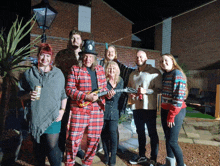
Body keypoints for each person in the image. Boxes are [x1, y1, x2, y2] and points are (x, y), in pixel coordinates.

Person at [18, 43, 67, 166]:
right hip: (36, 117)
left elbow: (63, 94)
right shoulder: (29, 74)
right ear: (38, 56)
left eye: (48, 55)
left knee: (51, 146)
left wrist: (62, 110)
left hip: (54, 116)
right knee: (38, 148)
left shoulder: (58, 74)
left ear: (51, 57)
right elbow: (19, 94)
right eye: (42, 55)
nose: (45, 58)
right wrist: (28, 95)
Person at [65, 39, 109, 166]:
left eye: (90, 56)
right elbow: (69, 89)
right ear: (81, 57)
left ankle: (87, 162)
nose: (87, 59)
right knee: (73, 139)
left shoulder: (100, 69)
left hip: (97, 110)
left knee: (94, 139)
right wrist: (85, 97)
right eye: (85, 56)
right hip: (79, 109)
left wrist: (108, 93)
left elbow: (104, 88)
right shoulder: (75, 69)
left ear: (94, 58)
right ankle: (70, 162)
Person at [127, 50, 162, 166]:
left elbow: (159, 90)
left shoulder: (154, 72)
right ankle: (142, 155)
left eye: (141, 57)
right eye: (137, 57)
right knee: (140, 132)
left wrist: (146, 91)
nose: (139, 59)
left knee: (152, 133)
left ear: (146, 58)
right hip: (137, 107)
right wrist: (131, 93)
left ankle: (153, 158)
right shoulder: (133, 74)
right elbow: (129, 88)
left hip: (149, 108)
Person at [55, 29, 85, 159]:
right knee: (63, 122)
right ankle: (61, 149)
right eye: (72, 38)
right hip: (65, 94)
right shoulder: (61, 54)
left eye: (77, 38)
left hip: (81, 96)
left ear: (81, 41)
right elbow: (55, 72)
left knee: (78, 124)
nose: (75, 40)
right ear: (69, 40)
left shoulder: (85, 56)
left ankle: (76, 148)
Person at [99, 45, 134, 153]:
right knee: (102, 127)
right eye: (108, 51)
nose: (110, 53)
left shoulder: (119, 66)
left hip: (116, 100)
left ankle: (115, 147)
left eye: (112, 51)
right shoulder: (100, 64)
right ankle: (102, 146)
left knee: (113, 128)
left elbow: (129, 71)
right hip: (102, 100)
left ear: (115, 54)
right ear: (105, 53)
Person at [160, 54, 188, 166]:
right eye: (161, 61)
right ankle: (169, 163)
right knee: (167, 138)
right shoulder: (165, 75)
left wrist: (171, 115)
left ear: (172, 61)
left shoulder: (177, 74)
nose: (163, 63)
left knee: (172, 141)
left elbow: (178, 97)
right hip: (165, 109)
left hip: (176, 111)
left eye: (166, 60)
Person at [101, 61, 124, 166]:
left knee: (113, 133)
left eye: (114, 68)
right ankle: (106, 155)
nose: (111, 70)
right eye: (110, 68)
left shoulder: (120, 81)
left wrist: (110, 95)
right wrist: (105, 95)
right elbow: (99, 93)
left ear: (117, 70)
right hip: (103, 111)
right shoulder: (103, 81)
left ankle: (113, 156)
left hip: (114, 111)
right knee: (104, 134)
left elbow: (119, 96)